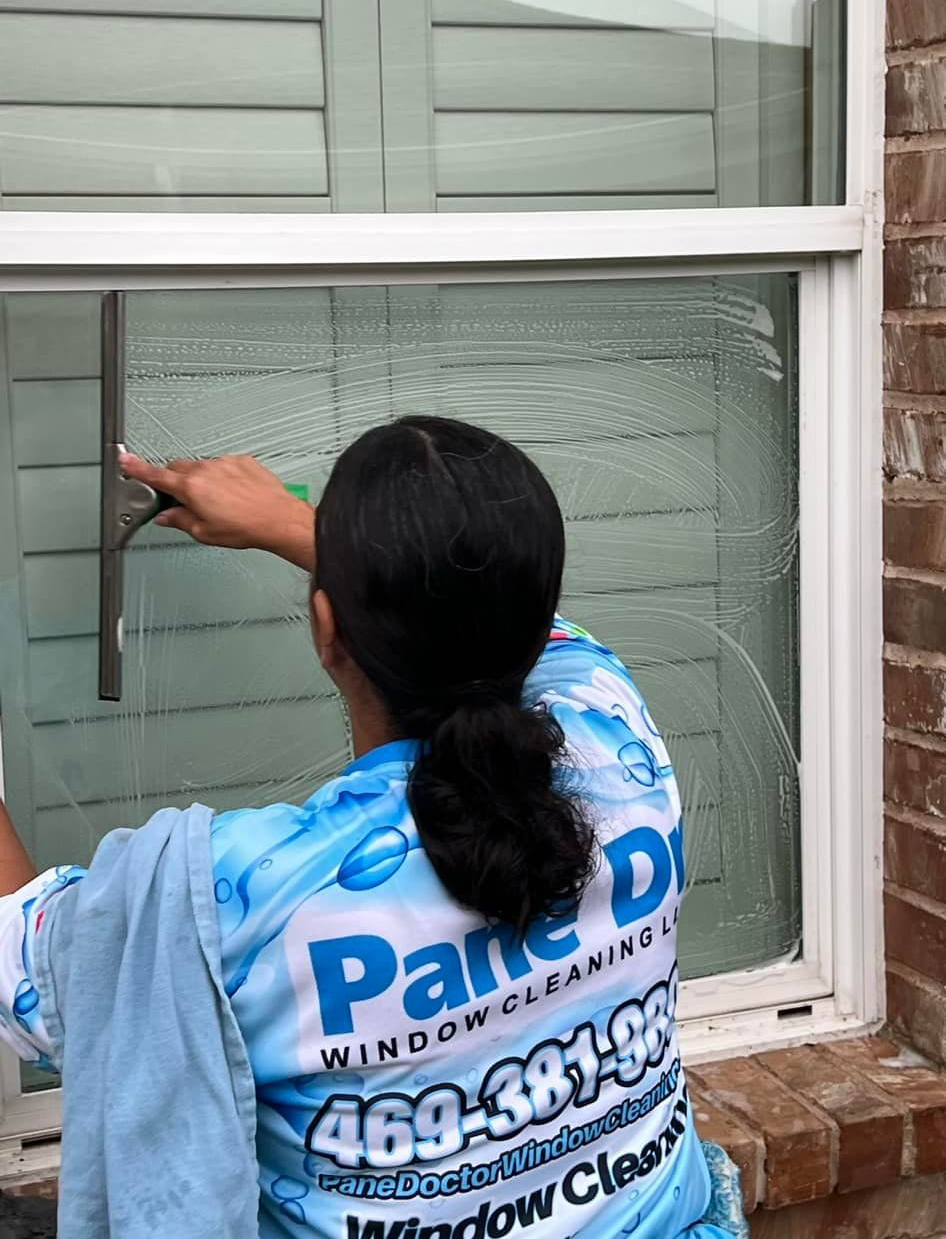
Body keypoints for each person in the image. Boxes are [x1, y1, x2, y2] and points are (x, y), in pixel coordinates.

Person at [0, 417, 741, 1238]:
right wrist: (302, 526)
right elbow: (495, 604)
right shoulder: (612, 730)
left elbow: (23, 958)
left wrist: (296, 523)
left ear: (326, 632)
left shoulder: (245, 903)